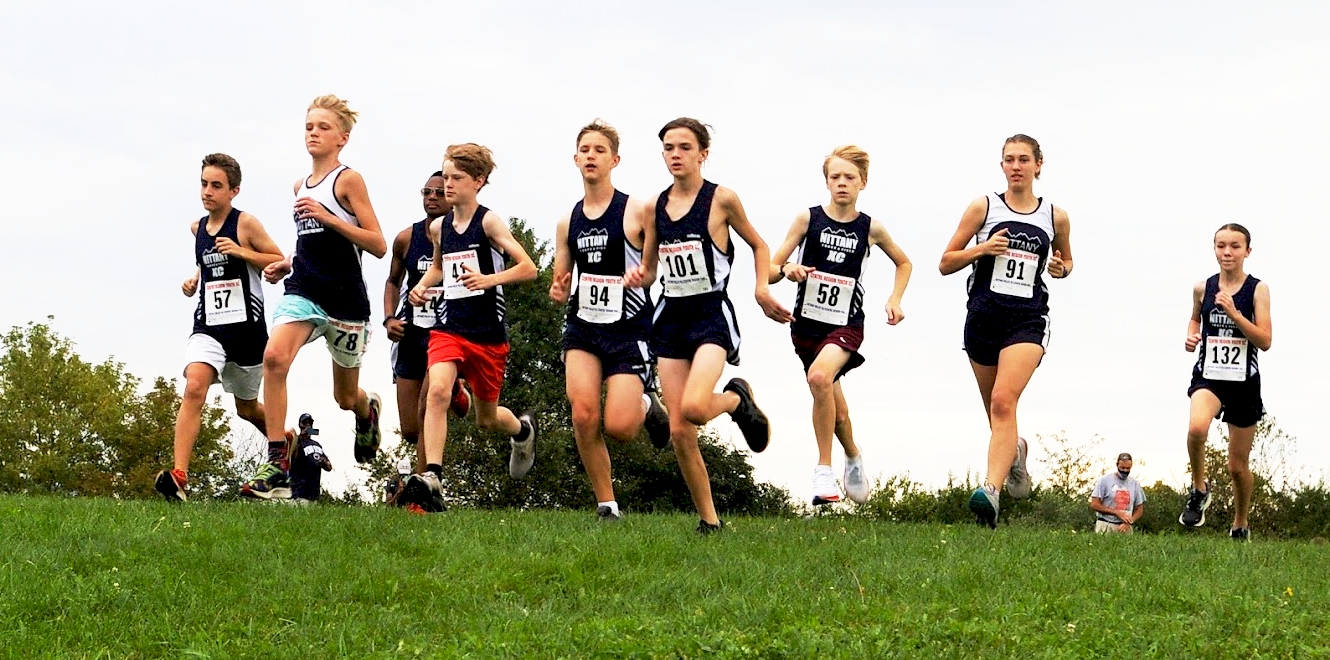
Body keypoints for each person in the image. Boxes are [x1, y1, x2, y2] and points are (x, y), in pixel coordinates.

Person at [648, 118, 791, 533]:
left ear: (702, 154)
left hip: (710, 315)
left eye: (684, 147)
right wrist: (639, 276)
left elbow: (760, 245)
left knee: (694, 407)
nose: (675, 154)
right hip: (670, 316)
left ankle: (734, 398)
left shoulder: (721, 199)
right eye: (669, 148)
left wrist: (762, 289)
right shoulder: (655, 206)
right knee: (679, 431)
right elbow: (652, 263)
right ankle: (710, 522)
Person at [243, 95, 388, 499]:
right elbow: (311, 244)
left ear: (342, 138)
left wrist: (328, 217)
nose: (313, 133)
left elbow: (377, 244)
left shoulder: (348, 180)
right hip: (304, 291)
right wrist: (287, 264)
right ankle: (276, 459)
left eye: (323, 127)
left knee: (344, 396)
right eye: (309, 126)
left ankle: (367, 410)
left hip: (345, 301)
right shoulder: (298, 185)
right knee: (274, 358)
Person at [939, 134, 1074, 528]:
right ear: (1002, 166)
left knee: (1003, 401)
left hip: (1027, 319)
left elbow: (1066, 261)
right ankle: (1015, 452)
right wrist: (982, 250)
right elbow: (946, 262)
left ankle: (990, 493)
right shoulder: (983, 207)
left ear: (1038, 165)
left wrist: (1061, 268)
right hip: (983, 317)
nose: (1016, 166)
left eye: (1023, 160)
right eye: (1009, 160)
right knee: (997, 414)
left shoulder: (1055, 216)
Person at [768, 145, 912, 507]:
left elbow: (904, 262)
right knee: (835, 406)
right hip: (806, 327)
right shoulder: (808, 220)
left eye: (850, 177)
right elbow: (770, 268)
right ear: (826, 181)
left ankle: (823, 471)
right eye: (835, 177)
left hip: (846, 324)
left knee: (818, 379)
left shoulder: (870, 228)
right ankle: (852, 453)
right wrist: (788, 270)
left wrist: (895, 299)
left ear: (863, 182)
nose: (842, 183)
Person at [399, 143, 539, 512]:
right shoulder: (439, 228)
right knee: (438, 392)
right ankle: (433, 475)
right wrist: (422, 286)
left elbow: (528, 268)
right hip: (449, 327)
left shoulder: (489, 222)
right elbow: (439, 267)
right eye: (445, 177)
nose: (447, 185)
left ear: (478, 182)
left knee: (487, 418)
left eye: (456, 178)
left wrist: (488, 280)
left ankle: (523, 432)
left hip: (488, 335)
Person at [548, 120, 670, 522]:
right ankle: (607, 504)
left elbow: (654, 266)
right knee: (583, 413)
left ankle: (646, 404)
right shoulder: (568, 221)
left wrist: (643, 276)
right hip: (584, 326)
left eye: (599, 150)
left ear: (614, 160)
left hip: (629, 327)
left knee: (620, 427)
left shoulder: (636, 210)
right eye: (584, 149)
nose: (590, 156)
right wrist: (558, 290)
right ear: (574, 158)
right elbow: (561, 278)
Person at [156, 153, 284, 501]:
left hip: (247, 332)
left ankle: (284, 441)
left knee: (247, 409)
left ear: (234, 191)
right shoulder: (198, 228)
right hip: (208, 326)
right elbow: (208, 263)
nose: (207, 192)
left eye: (216, 185)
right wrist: (194, 279)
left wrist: (243, 253)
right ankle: (180, 476)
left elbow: (278, 259)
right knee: (194, 386)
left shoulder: (245, 224)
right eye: (203, 184)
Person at [1178, 223, 1272, 541]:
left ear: (1247, 251)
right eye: (1221, 246)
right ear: (1214, 249)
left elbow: (1265, 340)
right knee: (1196, 429)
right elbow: (1195, 317)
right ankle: (1199, 489)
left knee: (1237, 465)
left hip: (1244, 382)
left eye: (1234, 246)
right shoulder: (1203, 288)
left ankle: (1241, 522)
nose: (1227, 252)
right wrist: (1191, 334)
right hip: (1210, 376)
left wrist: (1235, 315)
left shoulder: (1257, 289)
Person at [383, 172, 472, 476]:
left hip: (444, 335)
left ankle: (424, 488)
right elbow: (392, 281)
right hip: (410, 334)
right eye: (426, 192)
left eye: (439, 192)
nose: (432, 197)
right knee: (409, 429)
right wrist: (390, 317)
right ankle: (457, 391)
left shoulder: (463, 238)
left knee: (425, 414)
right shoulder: (406, 238)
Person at [1090, 453, 1146, 534]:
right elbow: (1094, 504)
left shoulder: (1134, 483)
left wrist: (1130, 521)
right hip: (1106, 525)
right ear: (1117, 465)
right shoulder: (1104, 481)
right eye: (1122, 468)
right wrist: (1116, 513)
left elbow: (1139, 509)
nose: (1125, 471)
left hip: (1126, 527)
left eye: (1128, 468)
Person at [289, 414, 333, 504]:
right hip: (299, 493)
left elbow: (329, 467)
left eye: (310, 423)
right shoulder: (296, 442)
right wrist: (299, 436)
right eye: (305, 423)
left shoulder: (317, 444)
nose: (308, 425)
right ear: (300, 425)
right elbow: (290, 457)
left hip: (314, 494)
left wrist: (324, 462)